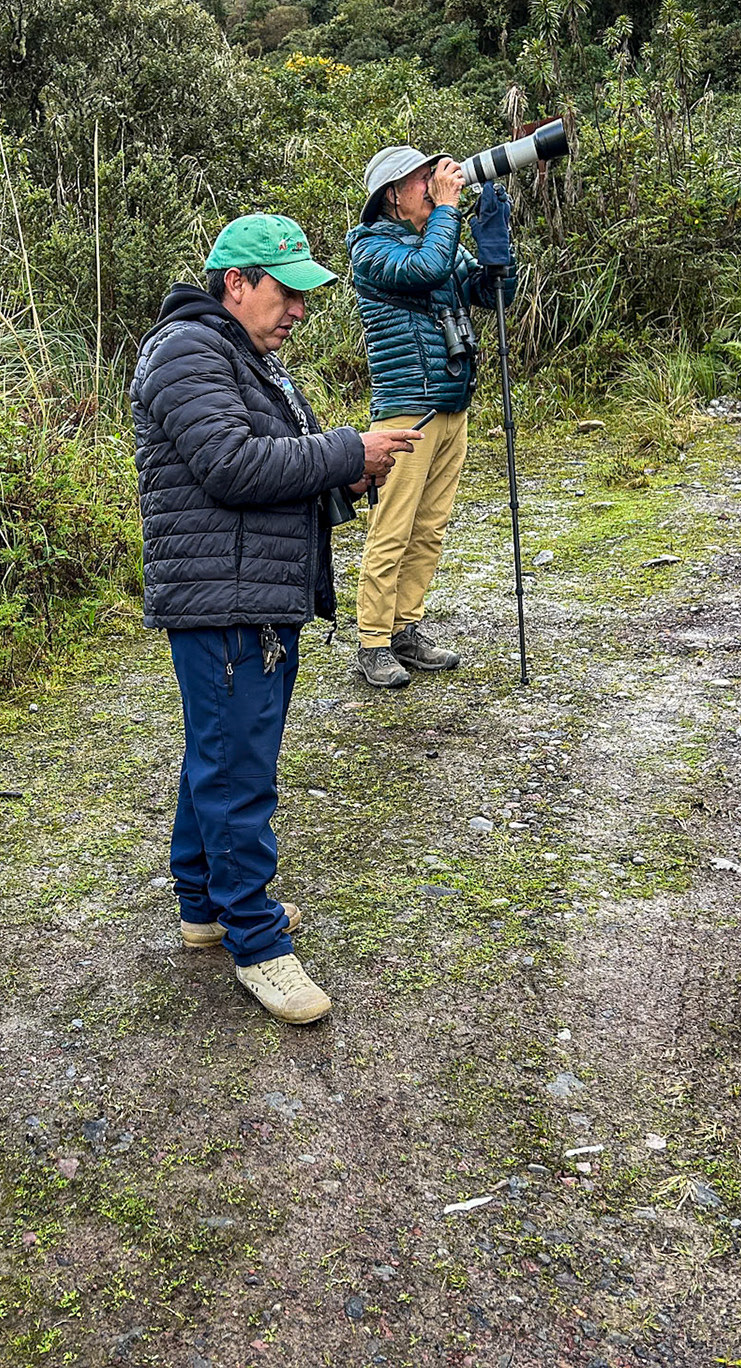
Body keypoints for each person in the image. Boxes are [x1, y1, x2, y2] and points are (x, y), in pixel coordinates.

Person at [130, 214, 421, 1024]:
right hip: (225, 601)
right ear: (236, 284)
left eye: (304, 295)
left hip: (247, 591)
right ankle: (257, 944)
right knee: (238, 774)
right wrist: (343, 451)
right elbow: (230, 465)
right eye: (286, 292)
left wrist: (343, 480)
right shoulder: (189, 349)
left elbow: (267, 468)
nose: (297, 308)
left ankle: (205, 908)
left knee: (217, 756)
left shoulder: (242, 357)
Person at [347, 145, 518, 688]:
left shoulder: (439, 239)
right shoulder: (370, 248)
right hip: (406, 408)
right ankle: (373, 641)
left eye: (433, 178)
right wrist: (448, 214)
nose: (434, 186)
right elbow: (424, 271)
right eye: (422, 180)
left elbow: (494, 295)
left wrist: (495, 244)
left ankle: (405, 630)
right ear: (392, 196)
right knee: (392, 528)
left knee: (430, 528)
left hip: (451, 402)